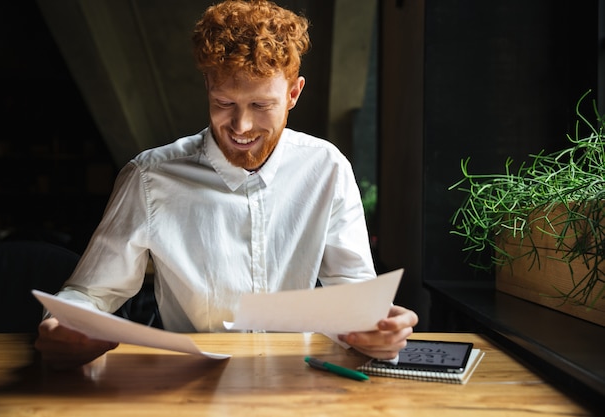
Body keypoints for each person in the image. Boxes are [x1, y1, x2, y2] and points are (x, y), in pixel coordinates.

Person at [35, 0, 418, 370]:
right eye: (224, 102)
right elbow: (89, 294)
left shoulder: (328, 169)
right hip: (186, 382)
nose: (241, 127)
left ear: (293, 94)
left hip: (300, 377)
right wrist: (63, 325)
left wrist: (375, 329)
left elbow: (354, 295)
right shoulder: (149, 177)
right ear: (207, 85)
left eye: (261, 106)